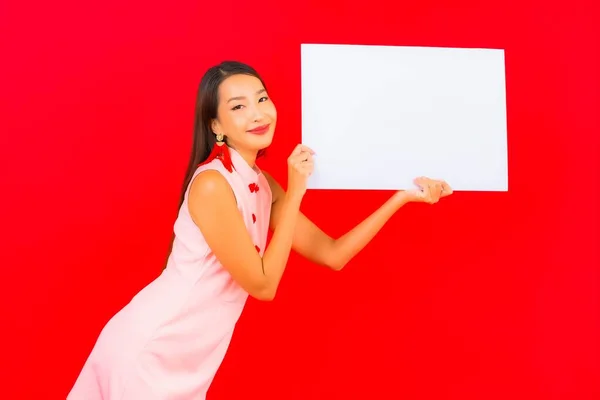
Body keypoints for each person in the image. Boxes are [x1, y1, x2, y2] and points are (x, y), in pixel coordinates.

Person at [67, 60, 452, 399]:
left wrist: (402, 197)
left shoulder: (262, 184)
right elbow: (263, 285)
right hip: (151, 350)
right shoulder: (213, 184)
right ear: (216, 125)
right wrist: (298, 189)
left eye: (262, 99)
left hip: (190, 358)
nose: (257, 113)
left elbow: (333, 255)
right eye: (238, 106)